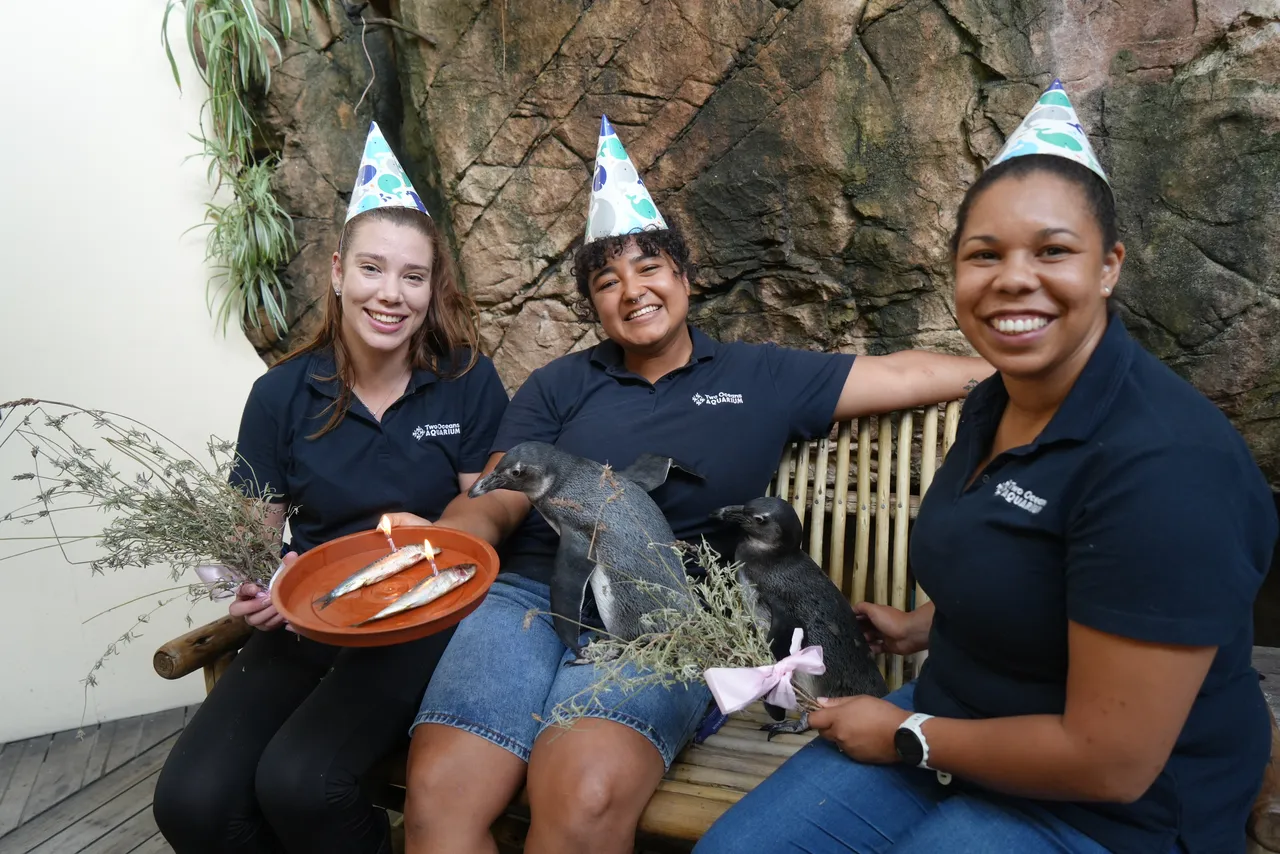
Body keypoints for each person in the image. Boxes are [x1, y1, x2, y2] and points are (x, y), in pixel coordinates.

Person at [692, 80, 1278, 854]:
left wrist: (905, 733)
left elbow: (1111, 763)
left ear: (1109, 266)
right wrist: (924, 625)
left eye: (1053, 250)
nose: (1013, 277)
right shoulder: (994, 403)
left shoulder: (1166, 464)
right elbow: (1038, 578)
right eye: (985, 254)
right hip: (952, 725)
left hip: (1102, 808)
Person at [392, 115, 994, 854]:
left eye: (649, 268)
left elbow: (907, 373)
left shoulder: (760, 375)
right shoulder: (558, 384)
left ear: (684, 276)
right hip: (525, 599)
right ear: (593, 305)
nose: (632, 291)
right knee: (438, 803)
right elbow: (498, 496)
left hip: (666, 616)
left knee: (581, 800)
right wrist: (446, 544)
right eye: (606, 282)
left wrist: (1047, 365)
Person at [152, 122, 509, 854]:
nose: (391, 294)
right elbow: (250, 543)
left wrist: (439, 535)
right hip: (312, 618)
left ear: (432, 288)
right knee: (190, 804)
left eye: (413, 276)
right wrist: (252, 586)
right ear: (339, 272)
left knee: (303, 782)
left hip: (424, 618)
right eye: (373, 269)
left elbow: (492, 509)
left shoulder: (467, 380)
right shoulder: (280, 394)